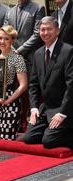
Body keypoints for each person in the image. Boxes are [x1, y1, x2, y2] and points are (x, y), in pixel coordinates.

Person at [24, 16, 73, 149]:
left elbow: (71, 85)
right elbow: (33, 85)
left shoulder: (68, 51)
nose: (45, 33)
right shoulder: (38, 53)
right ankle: (51, 130)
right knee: (28, 138)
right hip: (45, 109)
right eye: (42, 29)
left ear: (57, 31)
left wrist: (62, 112)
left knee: (48, 142)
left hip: (63, 109)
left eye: (49, 29)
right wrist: (34, 108)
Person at [4, 0, 46, 132]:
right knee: (13, 91)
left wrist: (20, 50)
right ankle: (15, 124)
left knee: (29, 93)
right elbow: (6, 33)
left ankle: (29, 126)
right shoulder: (9, 11)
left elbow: (37, 34)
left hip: (29, 59)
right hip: (12, 58)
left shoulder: (38, 8)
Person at [0, 25, 28, 140]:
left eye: (6, 39)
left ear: (13, 40)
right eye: (0, 38)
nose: (2, 41)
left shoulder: (18, 58)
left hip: (11, 102)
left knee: (7, 138)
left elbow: (23, 85)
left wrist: (8, 101)